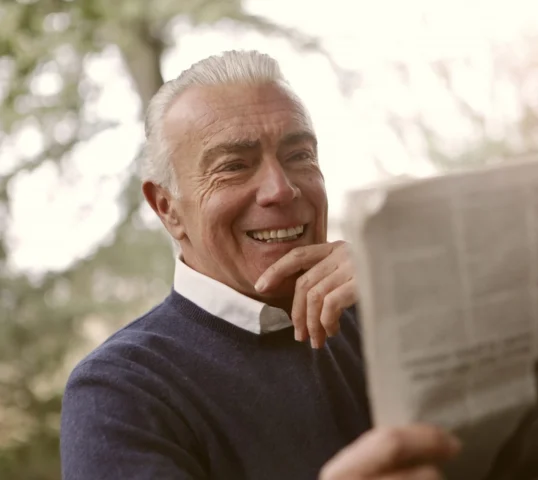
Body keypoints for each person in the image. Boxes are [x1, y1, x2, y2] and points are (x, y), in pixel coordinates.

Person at [59, 50, 460, 480]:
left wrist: (412, 288)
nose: (281, 189)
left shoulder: (386, 310)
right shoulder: (120, 389)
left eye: (299, 155)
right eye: (234, 166)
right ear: (167, 208)